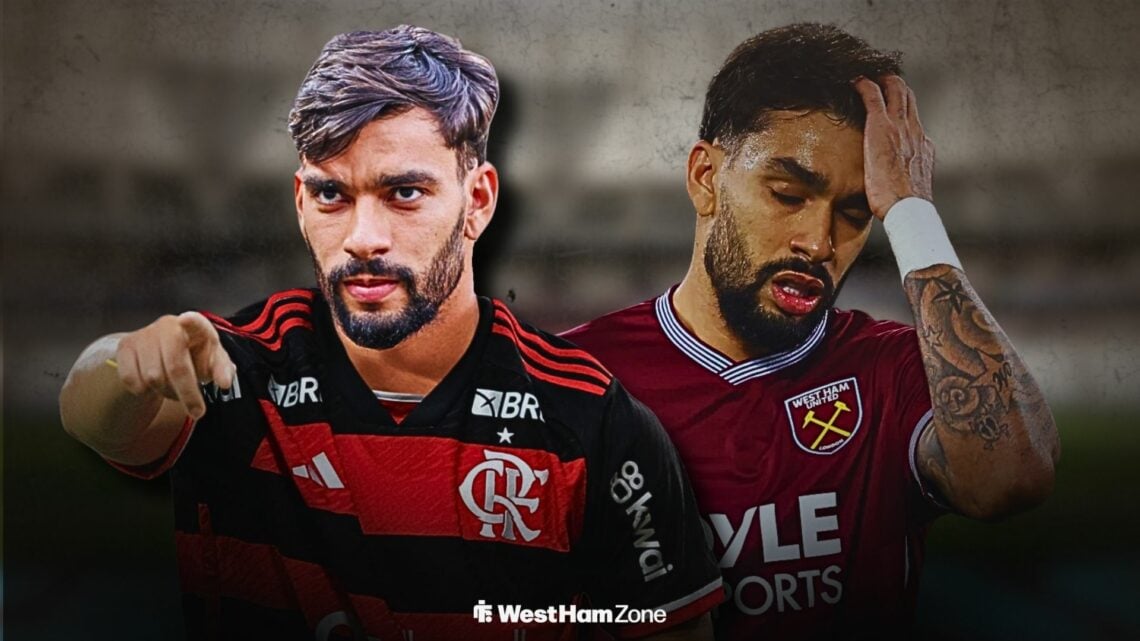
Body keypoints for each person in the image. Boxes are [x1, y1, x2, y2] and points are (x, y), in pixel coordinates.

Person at [59, 26, 722, 641]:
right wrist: (126, 361)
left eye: (404, 193)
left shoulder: (591, 418)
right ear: (299, 202)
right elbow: (96, 414)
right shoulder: (238, 372)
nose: (362, 239)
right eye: (331, 196)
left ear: (478, 202)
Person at [564, 23, 1059, 640]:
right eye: (788, 193)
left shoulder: (891, 369)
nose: (819, 243)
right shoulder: (575, 376)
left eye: (856, 213)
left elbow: (1013, 478)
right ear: (705, 178)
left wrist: (911, 214)